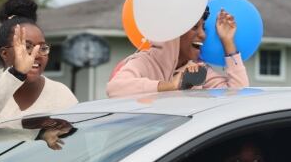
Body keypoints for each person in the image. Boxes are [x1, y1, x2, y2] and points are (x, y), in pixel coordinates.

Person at [0, 0, 78, 134]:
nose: (36, 54)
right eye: (26, 47)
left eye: (42, 47)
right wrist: (17, 74)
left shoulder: (61, 94)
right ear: (4, 53)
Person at [106, 8, 249, 97]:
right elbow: (114, 88)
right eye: (194, 27)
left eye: (203, 28)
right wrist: (171, 86)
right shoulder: (145, 62)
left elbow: (238, 96)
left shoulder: (198, 70)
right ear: (174, 33)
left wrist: (227, 41)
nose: (203, 35)